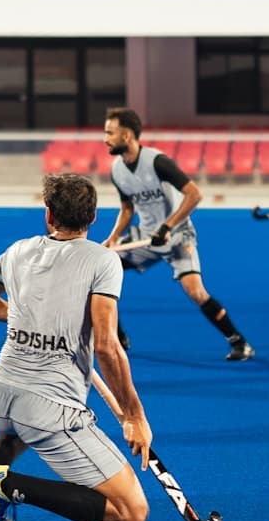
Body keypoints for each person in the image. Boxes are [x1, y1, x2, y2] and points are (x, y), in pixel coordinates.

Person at [0, 172, 152, 521]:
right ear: (93, 218)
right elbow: (108, 347)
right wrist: (134, 416)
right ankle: (3, 485)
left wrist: (30, 319)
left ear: (48, 215)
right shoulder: (103, 260)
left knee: (21, 420)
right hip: (47, 412)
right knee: (131, 513)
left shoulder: (17, 250)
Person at [101, 107, 255, 362]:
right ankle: (118, 336)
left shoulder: (157, 162)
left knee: (195, 291)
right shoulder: (117, 169)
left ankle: (239, 342)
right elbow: (127, 209)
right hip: (146, 237)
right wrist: (114, 237)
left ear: (127, 136)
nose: (105, 138)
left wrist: (168, 226)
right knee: (102, 269)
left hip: (178, 236)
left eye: (110, 133)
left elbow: (195, 194)